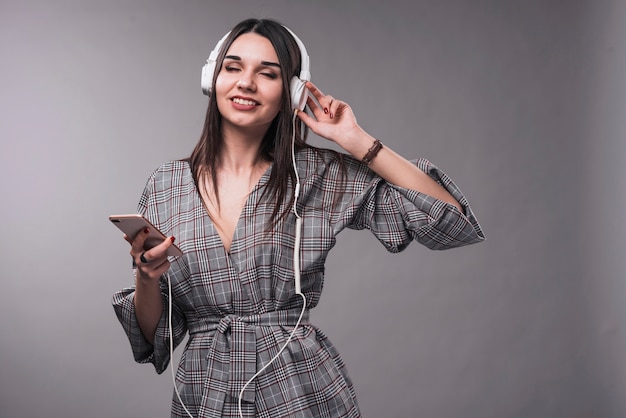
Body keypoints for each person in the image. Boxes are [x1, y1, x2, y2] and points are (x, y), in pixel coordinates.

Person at [112, 18, 484, 418]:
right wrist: (146, 279)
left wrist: (358, 141)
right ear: (212, 78)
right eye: (232, 67)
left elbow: (451, 223)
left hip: (297, 389)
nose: (246, 83)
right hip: (205, 394)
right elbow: (154, 337)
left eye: (267, 74)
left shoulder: (317, 173)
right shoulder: (166, 185)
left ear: (291, 92)